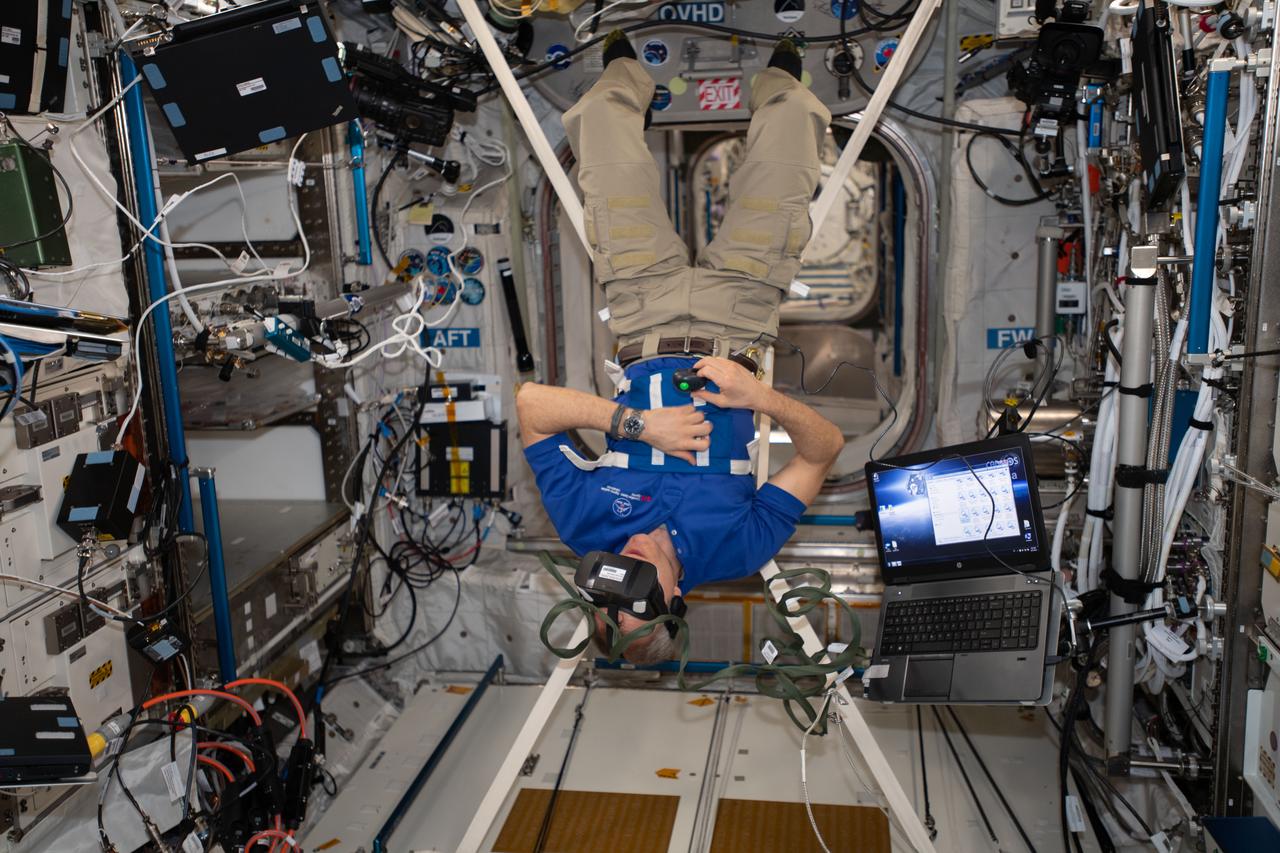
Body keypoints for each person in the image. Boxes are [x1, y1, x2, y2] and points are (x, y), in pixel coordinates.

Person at [516, 34, 843, 663]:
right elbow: (824, 448)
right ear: (673, 597)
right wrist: (758, 398)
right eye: (637, 581)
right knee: (788, 146)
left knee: (602, 130)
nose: (625, 558)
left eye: (608, 580)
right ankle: (780, 77)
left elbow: (531, 405)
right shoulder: (737, 550)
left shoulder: (584, 527)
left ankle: (625, 68)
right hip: (741, 318)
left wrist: (637, 425)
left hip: (643, 312)